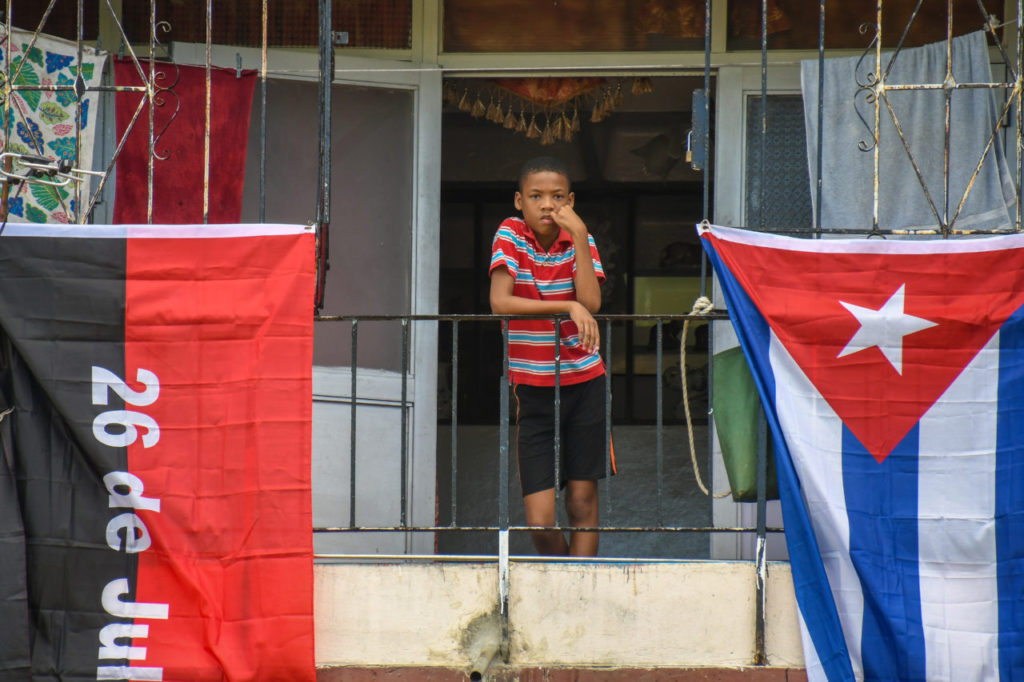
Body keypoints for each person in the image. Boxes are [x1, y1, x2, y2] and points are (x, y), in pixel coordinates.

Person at [488, 156, 615, 557]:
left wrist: (578, 236)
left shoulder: (582, 240)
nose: (547, 205)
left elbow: (590, 301)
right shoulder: (511, 235)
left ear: (571, 201)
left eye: (558, 197)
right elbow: (500, 303)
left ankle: (580, 593)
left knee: (581, 503)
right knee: (541, 522)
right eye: (536, 196)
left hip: (584, 383)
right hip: (534, 388)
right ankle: (563, 583)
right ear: (518, 201)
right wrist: (566, 308)